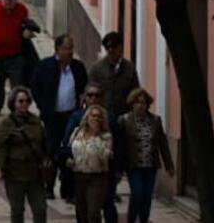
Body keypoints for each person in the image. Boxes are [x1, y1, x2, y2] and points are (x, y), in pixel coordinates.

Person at [31, 35, 87, 200]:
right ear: (58, 49)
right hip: (52, 117)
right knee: (51, 151)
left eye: (71, 48)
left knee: (69, 151)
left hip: (71, 117)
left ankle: (67, 188)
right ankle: (49, 186)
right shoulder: (45, 66)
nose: (70, 52)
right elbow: (35, 86)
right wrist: (43, 105)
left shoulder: (78, 68)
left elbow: (84, 87)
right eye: (67, 48)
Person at [119, 87, 174, 223]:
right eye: (137, 102)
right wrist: (118, 168)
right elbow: (120, 146)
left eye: (143, 102)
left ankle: (144, 219)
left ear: (147, 104)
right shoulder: (125, 120)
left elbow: (163, 144)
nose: (140, 105)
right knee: (138, 193)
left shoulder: (155, 120)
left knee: (147, 196)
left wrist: (169, 165)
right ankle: (131, 219)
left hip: (150, 165)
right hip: (134, 165)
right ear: (132, 104)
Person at [0, 88, 51, 223]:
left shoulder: (35, 121)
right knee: (17, 210)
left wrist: (46, 158)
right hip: (15, 174)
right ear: (13, 103)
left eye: (27, 101)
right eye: (20, 101)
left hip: (35, 174)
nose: (24, 104)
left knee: (40, 209)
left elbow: (43, 143)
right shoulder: (6, 123)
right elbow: (2, 148)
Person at [0, 0, 35, 118]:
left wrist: (27, 31)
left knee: (17, 86)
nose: (9, 3)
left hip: (15, 56)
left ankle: (17, 111)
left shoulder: (22, 9)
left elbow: (27, 24)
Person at [68, 104, 115, 223]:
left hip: (97, 177)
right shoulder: (77, 132)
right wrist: (69, 159)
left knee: (93, 212)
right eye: (93, 116)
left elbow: (104, 156)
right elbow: (69, 148)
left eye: (99, 116)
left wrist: (95, 136)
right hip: (79, 175)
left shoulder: (106, 137)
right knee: (81, 211)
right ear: (87, 118)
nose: (95, 118)